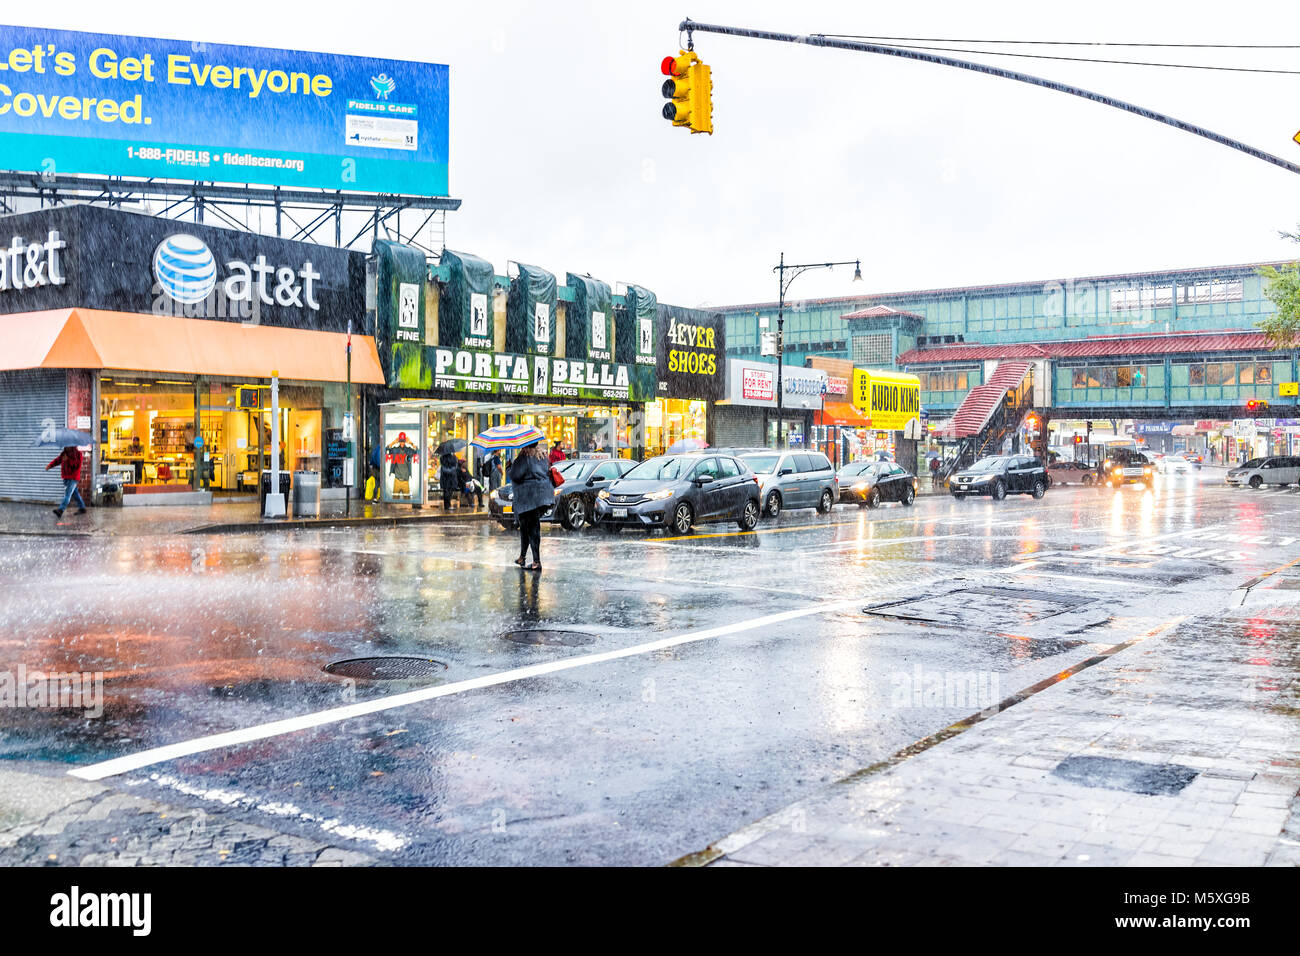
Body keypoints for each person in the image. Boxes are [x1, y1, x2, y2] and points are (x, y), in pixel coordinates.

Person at [509, 443, 551, 572]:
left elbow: (516, 475)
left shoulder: (524, 457)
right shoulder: (542, 456)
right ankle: (523, 557)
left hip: (528, 497)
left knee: (530, 528)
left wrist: (509, 468)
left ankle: (536, 562)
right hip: (542, 495)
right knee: (529, 526)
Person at [47, 445, 86, 517]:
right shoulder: (64, 453)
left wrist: (68, 460)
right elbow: (58, 460)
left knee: (67, 495)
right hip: (66, 477)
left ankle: (60, 510)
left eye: (68, 445)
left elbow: (77, 465)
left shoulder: (78, 454)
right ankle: (82, 507)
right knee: (75, 494)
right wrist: (50, 465)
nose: (67, 447)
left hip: (73, 478)